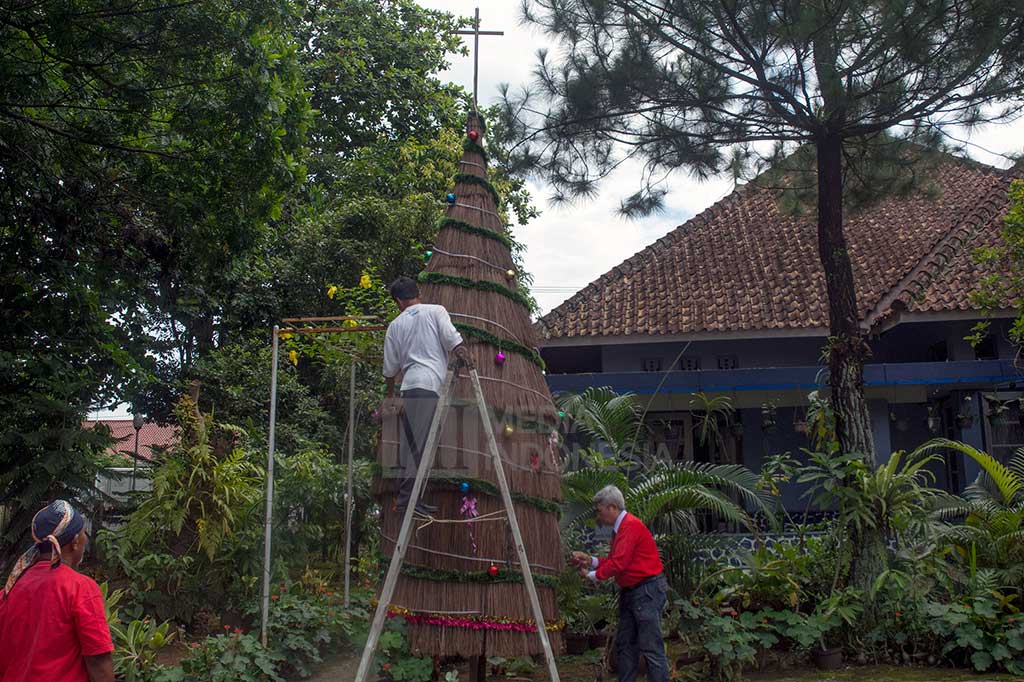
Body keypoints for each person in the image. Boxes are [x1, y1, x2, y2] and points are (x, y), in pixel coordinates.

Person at [0, 500, 115, 682]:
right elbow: (98, 662)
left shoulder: (11, 587)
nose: (85, 539)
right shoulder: (80, 588)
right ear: (75, 542)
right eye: (83, 533)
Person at [381, 276, 468, 516]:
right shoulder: (436, 311)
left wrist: (390, 396)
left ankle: (410, 499)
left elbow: (390, 369)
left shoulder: (395, 326)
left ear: (399, 301)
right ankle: (407, 501)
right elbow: (454, 341)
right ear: (418, 293)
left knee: (411, 444)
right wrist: (464, 355)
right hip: (428, 388)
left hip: (409, 389)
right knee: (418, 447)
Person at [571, 485, 669, 682]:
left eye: (600, 511)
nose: (599, 517)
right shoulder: (622, 528)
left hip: (645, 590)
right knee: (626, 644)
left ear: (612, 507)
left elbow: (618, 563)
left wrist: (591, 575)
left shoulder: (629, 526)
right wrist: (591, 560)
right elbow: (615, 561)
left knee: (650, 647)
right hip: (636, 590)